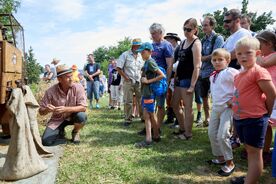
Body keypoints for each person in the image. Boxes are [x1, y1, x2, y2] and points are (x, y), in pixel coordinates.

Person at [230, 37, 276, 184]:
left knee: (255, 154)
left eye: (248, 53)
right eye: (239, 53)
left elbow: (271, 93)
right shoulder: (238, 75)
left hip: (255, 119)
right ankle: (251, 179)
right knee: (250, 151)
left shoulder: (259, 71)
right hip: (241, 119)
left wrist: (266, 113)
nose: (243, 56)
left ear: (257, 53)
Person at [207, 48, 238, 177]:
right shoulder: (213, 75)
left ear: (228, 60)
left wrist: (233, 99)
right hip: (216, 108)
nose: (217, 62)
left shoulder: (231, 72)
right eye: (214, 60)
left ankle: (230, 162)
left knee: (222, 135)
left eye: (220, 59)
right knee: (212, 133)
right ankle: (220, 157)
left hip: (227, 108)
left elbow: (241, 85)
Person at [39, 64, 87, 146]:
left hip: (73, 117)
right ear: (59, 79)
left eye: (71, 76)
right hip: (57, 119)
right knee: (46, 142)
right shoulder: (50, 91)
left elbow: (83, 107)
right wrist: (47, 109)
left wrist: (66, 109)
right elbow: (41, 112)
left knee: (81, 116)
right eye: (68, 77)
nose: (71, 79)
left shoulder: (78, 87)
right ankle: (60, 133)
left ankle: (75, 132)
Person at [172, 18, 201, 140]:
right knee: (174, 104)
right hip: (179, 78)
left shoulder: (196, 43)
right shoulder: (183, 42)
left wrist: (192, 85)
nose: (185, 31)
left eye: (188, 29)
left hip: (188, 80)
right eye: (184, 29)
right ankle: (183, 128)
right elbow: (179, 61)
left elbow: (197, 66)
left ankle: (188, 134)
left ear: (195, 30)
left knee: (188, 108)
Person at [135, 42, 165, 148]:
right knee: (148, 115)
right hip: (146, 93)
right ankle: (154, 136)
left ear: (149, 51)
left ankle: (150, 138)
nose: (141, 54)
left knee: (149, 115)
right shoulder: (147, 62)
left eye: (143, 52)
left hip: (149, 93)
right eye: (140, 52)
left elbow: (162, 75)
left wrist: (148, 81)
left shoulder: (151, 62)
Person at [197, 16, 224, 127]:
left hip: (215, 73)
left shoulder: (218, 38)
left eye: (206, 25)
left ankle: (217, 120)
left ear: (212, 26)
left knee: (216, 97)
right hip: (203, 73)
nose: (203, 27)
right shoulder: (203, 40)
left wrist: (201, 58)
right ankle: (207, 118)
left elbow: (216, 55)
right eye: (203, 25)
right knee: (204, 97)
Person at [256, 30, 276, 165]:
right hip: (266, 94)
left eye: (259, 45)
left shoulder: (274, 55)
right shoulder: (263, 56)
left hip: (274, 94)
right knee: (266, 124)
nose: (258, 49)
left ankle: (267, 151)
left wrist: (255, 54)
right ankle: (264, 150)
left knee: (269, 122)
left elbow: (262, 64)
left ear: (269, 44)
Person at [149, 23, 174, 133]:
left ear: (161, 33)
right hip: (151, 78)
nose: (152, 35)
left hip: (161, 79)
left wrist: (167, 80)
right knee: (150, 103)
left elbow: (169, 65)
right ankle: (150, 126)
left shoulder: (166, 45)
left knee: (160, 105)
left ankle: (157, 128)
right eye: (151, 33)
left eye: (154, 33)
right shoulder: (152, 45)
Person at [116, 38, 144, 126]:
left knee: (141, 100)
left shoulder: (141, 56)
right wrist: (126, 78)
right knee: (128, 101)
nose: (139, 48)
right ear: (133, 46)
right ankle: (128, 119)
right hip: (128, 81)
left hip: (139, 81)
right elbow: (118, 68)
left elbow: (143, 68)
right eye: (138, 46)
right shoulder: (125, 55)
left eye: (140, 46)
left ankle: (143, 117)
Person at [163, 32, 181, 126]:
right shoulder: (168, 49)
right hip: (169, 76)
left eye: (168, 39)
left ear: (173, 39)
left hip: (177, 75)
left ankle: (178, 120)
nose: (166, 40)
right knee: (168, 97)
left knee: (177, 98)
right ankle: (170, 117)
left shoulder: (179, 48)